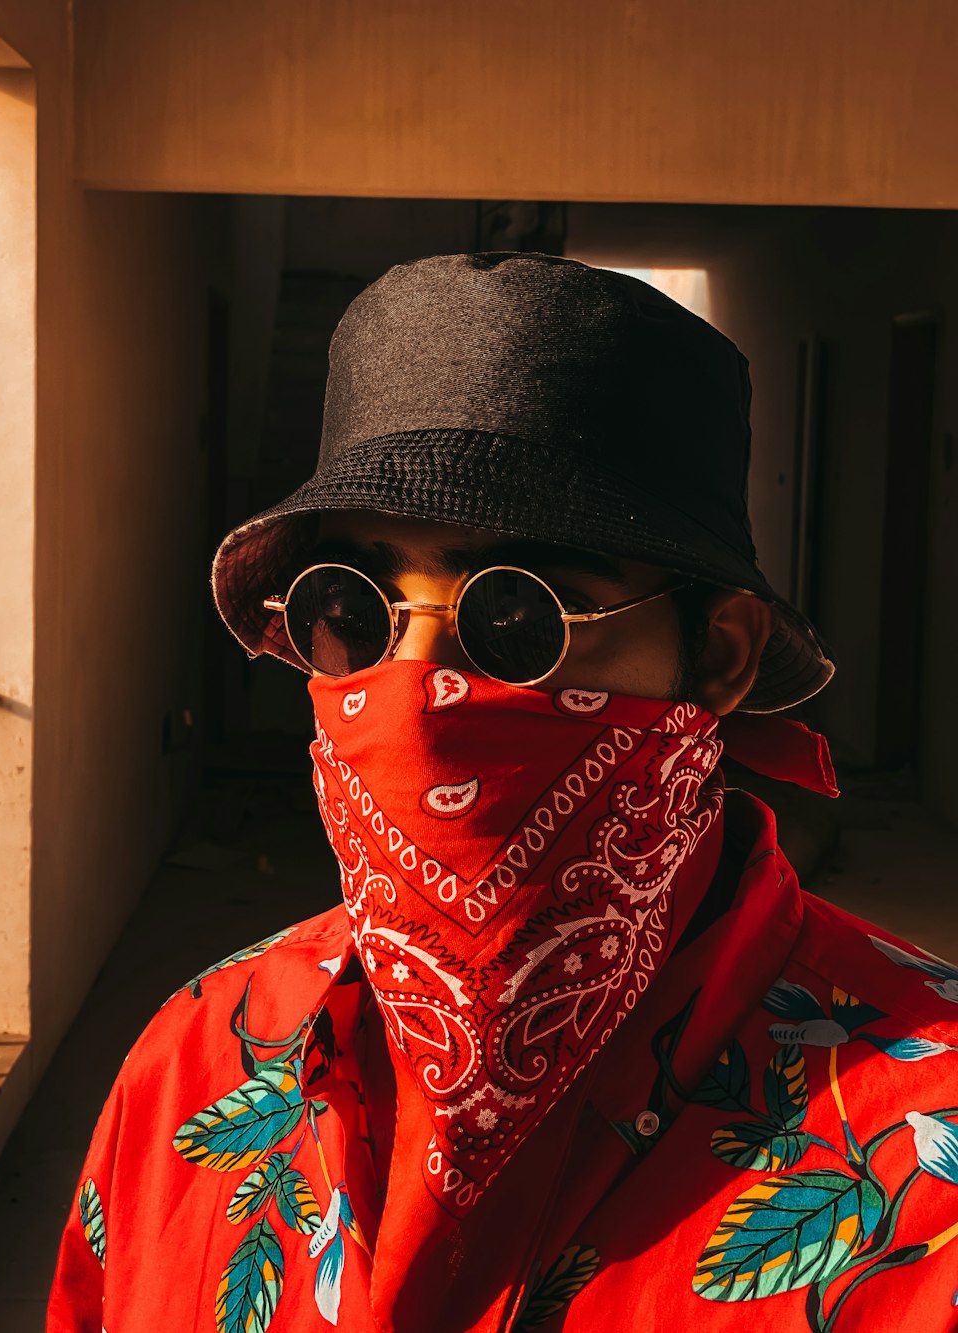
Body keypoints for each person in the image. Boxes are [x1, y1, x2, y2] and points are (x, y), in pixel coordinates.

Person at [47, 253, 958, 1333]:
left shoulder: (924, 1136)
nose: (418, 700)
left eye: (519, 619)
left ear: (716, 655)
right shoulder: (196, 1058)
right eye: (356, 605)